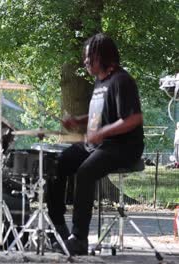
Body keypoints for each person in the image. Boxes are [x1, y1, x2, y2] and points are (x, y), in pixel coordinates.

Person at [47, 33, 144, 255]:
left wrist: (102, 132)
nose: (86, 61)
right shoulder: (100, 82)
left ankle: (79, 239)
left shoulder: (122, 81)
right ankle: (59, 228)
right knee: (58, 163)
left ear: (103, 56)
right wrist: (78, 121)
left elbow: (133, 118)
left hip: (122, 147)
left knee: (85, 172)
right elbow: (101, 116)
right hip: (99, 145)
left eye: (89, 57)